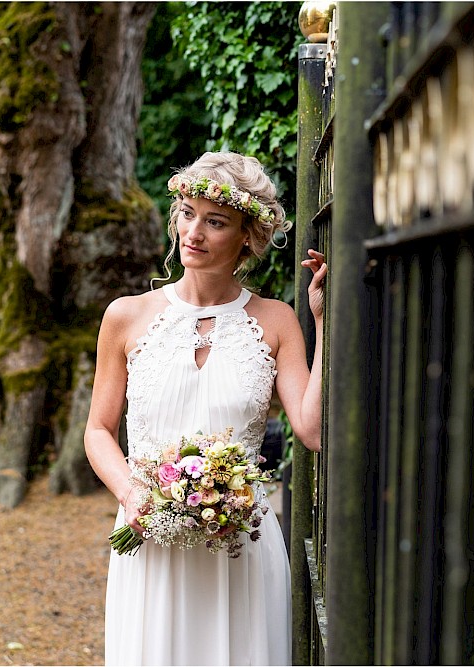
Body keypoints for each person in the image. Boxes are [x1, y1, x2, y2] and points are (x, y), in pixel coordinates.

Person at [84, 150, 326, 666]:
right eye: (187, 213)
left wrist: (323, 323)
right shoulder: (124, 317)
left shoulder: (277, 320)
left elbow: (312, 429)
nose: (194, 231)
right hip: (150, 541)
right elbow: (98, 431)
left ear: (247, 236)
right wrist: (131, 494)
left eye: (215, 221)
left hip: (240, 547)